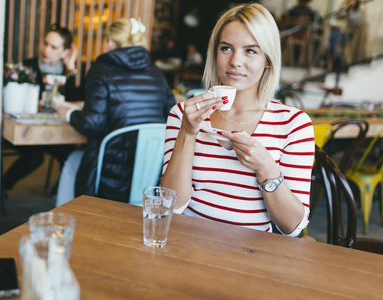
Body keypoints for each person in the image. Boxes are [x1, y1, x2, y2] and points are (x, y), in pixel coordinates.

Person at [160, 3, 315, 237]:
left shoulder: (293, 124)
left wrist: (267, 168)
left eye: (250, 51)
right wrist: (187, 133)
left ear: (268, 60)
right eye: (226, 48)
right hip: (185, 248)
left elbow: (292, 227)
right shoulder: (184, 113)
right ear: (215, 53)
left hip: (249, 259)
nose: (235, 61)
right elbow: (170, 206)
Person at [55, 18, 176, 206]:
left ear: (111, 42)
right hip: (150, 174)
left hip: (108, 178)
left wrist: (68, 114)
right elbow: (170, 115)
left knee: (72, 160)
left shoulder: (101, 70)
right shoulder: (156, 74)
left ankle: (67, 220)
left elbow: (92, 123)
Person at [2, 24, 83, 193]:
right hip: (27, 130)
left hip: (54, 131)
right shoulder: (28, 66)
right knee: (35, 157)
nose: (46, 49)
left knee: (70, 155)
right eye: (45, 43)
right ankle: (2, 188)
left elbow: (73, 101)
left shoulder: (66, 71)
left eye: (54, 47)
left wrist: (71, 67)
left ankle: (59, 193)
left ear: (65, 51)